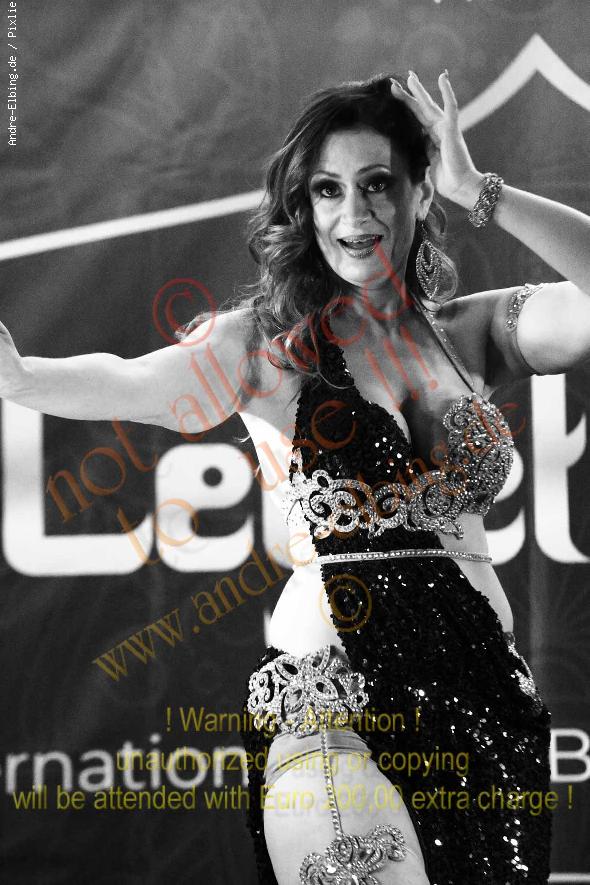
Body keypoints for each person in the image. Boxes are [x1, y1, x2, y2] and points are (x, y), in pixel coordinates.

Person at [1, 70, 589, 883]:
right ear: (304, 208)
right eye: (328, 190)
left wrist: (481, 189)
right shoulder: (268, 349)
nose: (355, 213)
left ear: (421, 191)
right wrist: (22, 376)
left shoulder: (474, 333)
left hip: (487, 711)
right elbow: (138, 382)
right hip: (333, 707)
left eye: (379, 183)